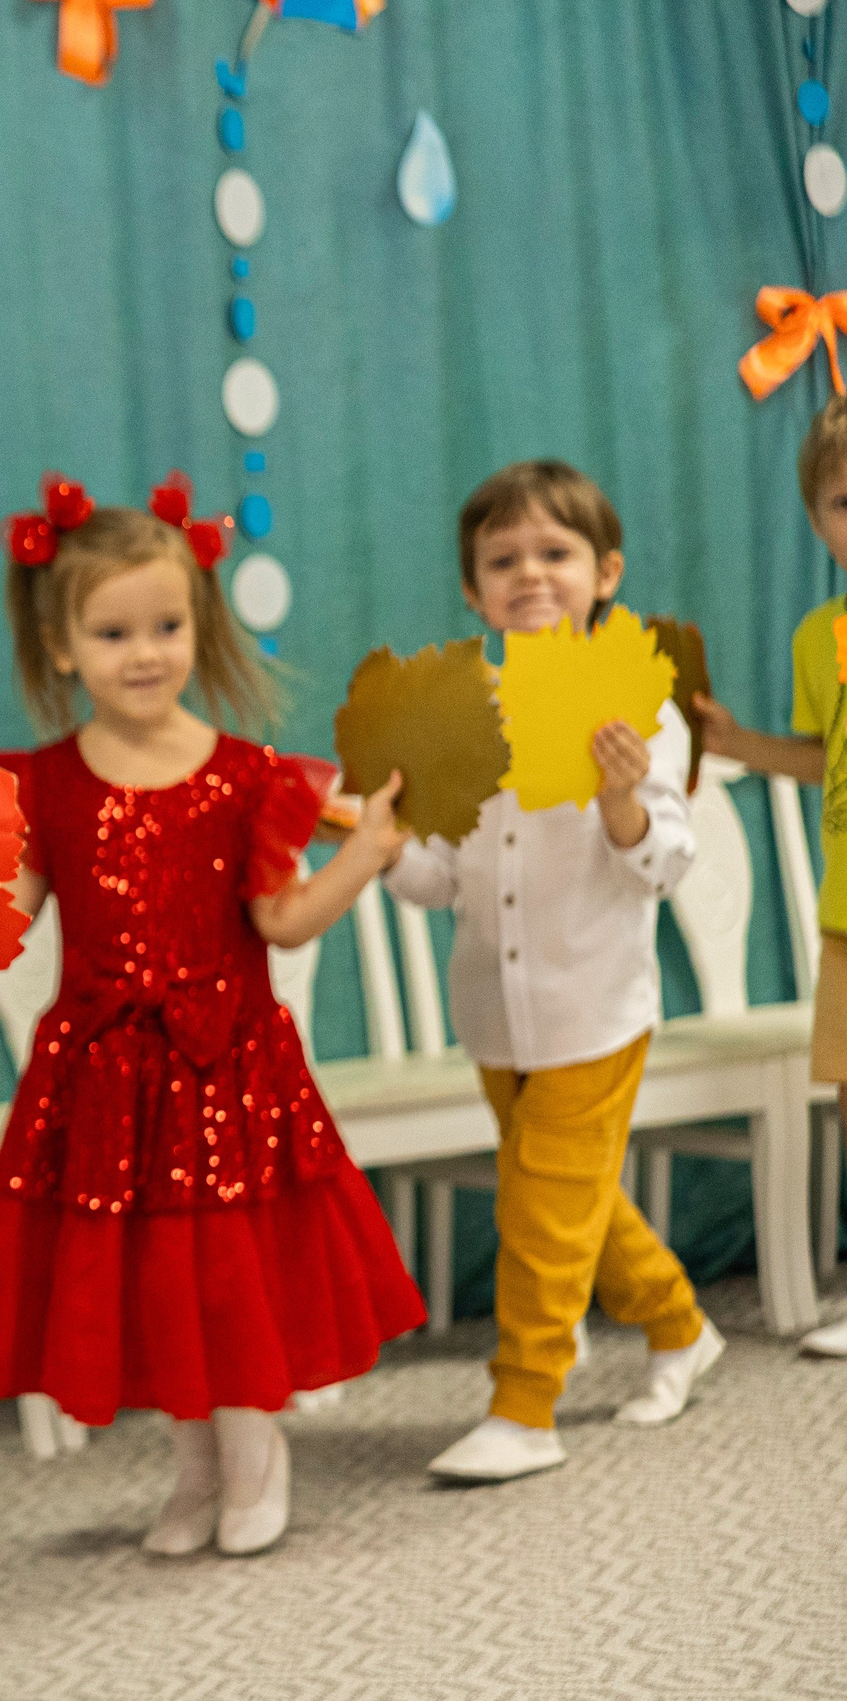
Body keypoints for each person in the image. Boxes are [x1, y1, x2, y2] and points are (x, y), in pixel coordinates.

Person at [0, 474, 426, 1557]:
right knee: (155, 1281)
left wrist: (361, 856)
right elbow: (2, 924)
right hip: (108, 1081)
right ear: (62, 645)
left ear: (199, 625)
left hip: (228, 1071)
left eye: (165, 625)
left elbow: (283, 918)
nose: (145, 651)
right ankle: (196, 1469)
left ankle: (257, 1458)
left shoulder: (248, 777)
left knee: (228, 1271)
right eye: (113, 632)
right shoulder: (49, 785)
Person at [388, 460, 721, 1483]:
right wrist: (372, 841)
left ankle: (524, 1406)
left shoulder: (638, 710)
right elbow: (437, 878)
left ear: (603, 572)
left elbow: (664, 861)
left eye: (554, 554)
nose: (528, 575)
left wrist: (622, 798)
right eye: (502, 560)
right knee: (573, 1199)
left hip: (592, 1011)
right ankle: (680, 1329)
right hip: (494, 1013)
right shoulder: (460, 715)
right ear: (471, 588)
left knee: (538, 1210)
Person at [693, 393, 847, 1359]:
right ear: (816, 517)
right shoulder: (818, 635)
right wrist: (742, 742)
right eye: (843, 503)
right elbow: (821, 753)